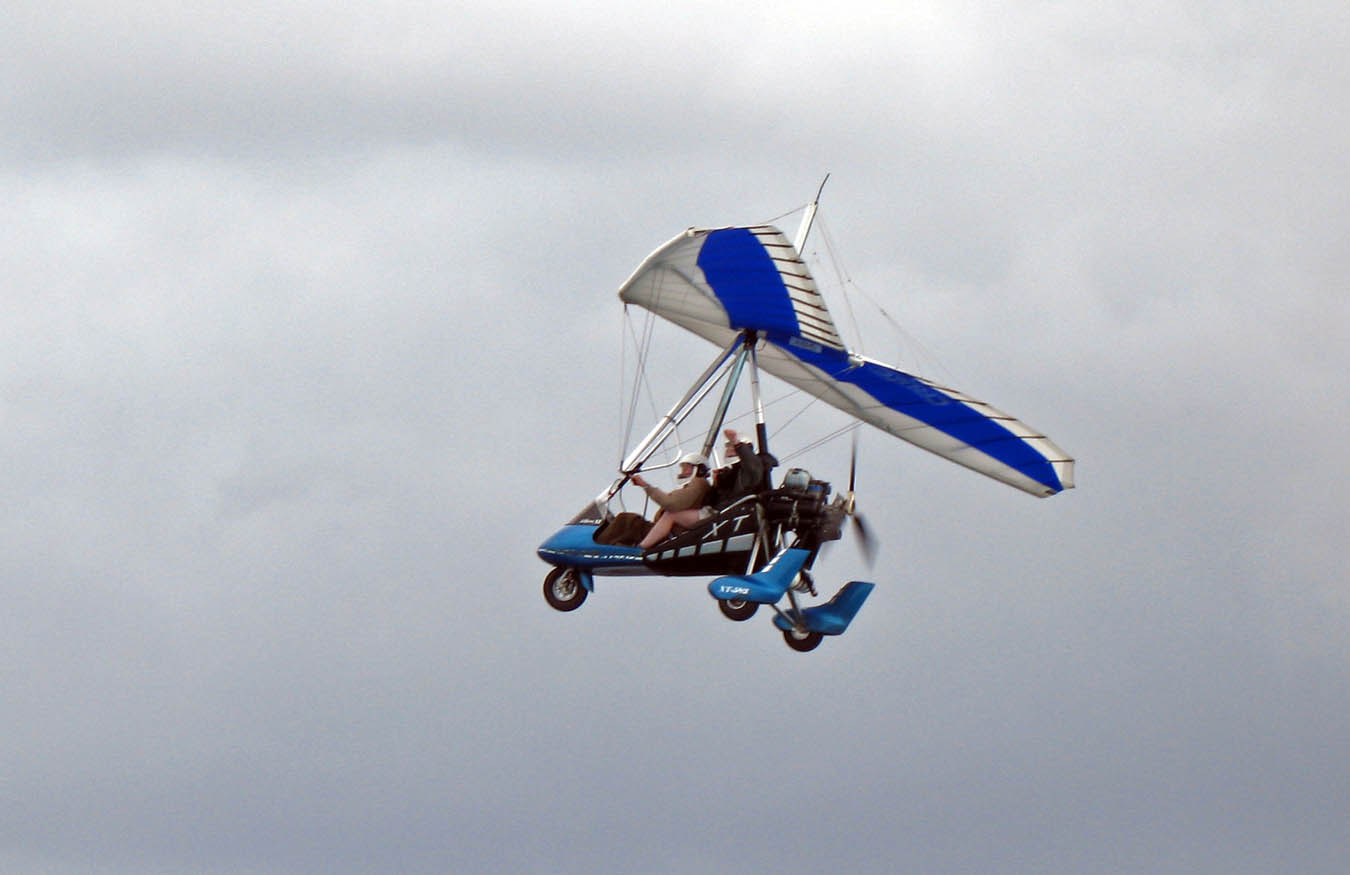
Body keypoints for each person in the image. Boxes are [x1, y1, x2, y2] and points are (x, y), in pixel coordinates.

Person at [633, 452, 710, 549]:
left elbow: (671, 503)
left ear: (699, 469)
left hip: (688, 526)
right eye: (682, 468)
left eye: (687, 467)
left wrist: (645, 486)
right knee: (631, 521)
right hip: (675, 527)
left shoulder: (699, 482)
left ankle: (640, 549)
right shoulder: (690, 487)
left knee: (670, 514)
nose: (683, 471)